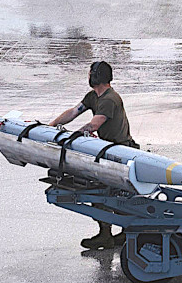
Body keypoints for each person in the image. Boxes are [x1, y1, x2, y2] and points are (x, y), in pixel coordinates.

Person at [51, 61, 137, 248]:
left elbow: (94, 125)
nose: (88, 76)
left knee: (114, 194)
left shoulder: (109, 99)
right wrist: (50, 127)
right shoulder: (93, 97)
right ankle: (107, 233)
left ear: (96, 76)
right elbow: (74, 111)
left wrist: (73, 137)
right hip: (106, 152)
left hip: (120, 153)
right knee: (104, 191)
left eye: (90, 73)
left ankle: (121, 232)